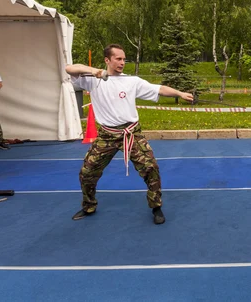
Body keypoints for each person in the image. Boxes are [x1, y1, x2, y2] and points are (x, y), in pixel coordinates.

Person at [66, 44, 194, 224]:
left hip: (132, 133)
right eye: (118, 59)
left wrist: (180, 93)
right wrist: (95, 72)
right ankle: (89, 205)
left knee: (151, 169)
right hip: (107, 136)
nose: (122, 62)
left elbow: (159, 89)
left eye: (124, 59)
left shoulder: (131, 81)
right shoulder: (93, 80)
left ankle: (156, 207)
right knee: (87, 172)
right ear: (107, 60)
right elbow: (69, 68)